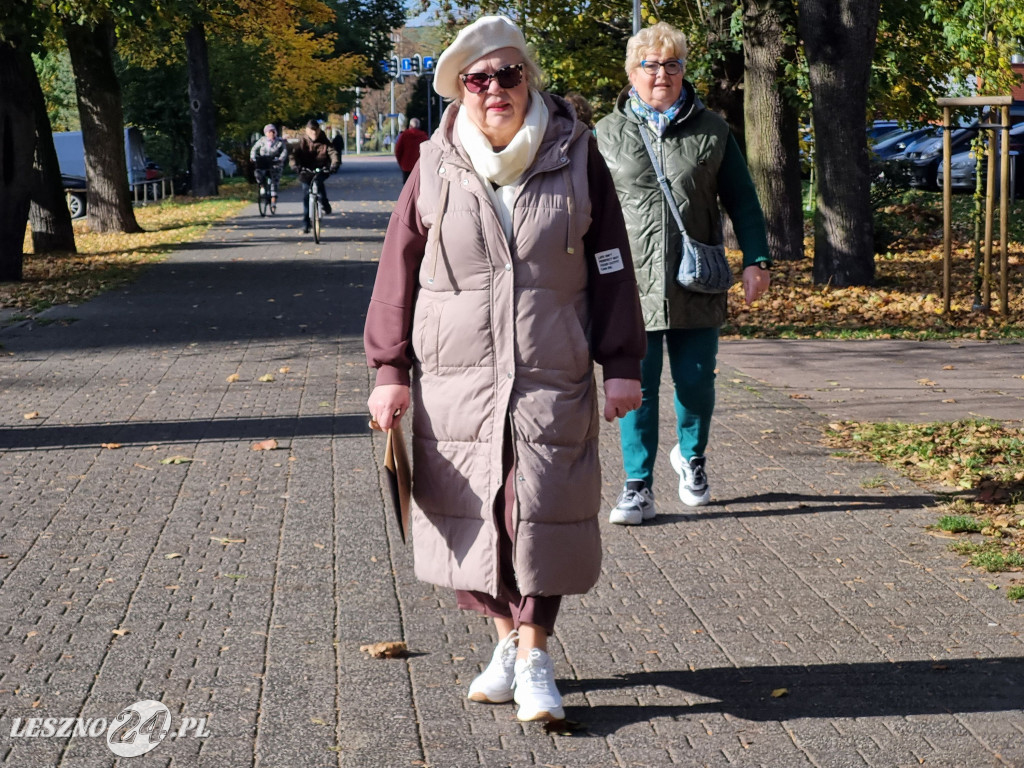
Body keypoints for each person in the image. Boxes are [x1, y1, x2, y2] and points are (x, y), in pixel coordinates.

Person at [364, 15, 646, 722]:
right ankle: (507, 643)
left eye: (509, 74)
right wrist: (388, 369)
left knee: (540, 512)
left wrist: (622, 362)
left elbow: (612, 263)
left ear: (529, 79)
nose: (496, 89)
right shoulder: (435, 164)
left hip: (550, 375)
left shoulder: (577, 156)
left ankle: (534, 656)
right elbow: (397, 269)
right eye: (479, 78)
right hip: (456, 379)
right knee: (478, 516)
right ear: (461, 89)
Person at [595, 22, 772, 526]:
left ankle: (692, 458)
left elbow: (743, 199)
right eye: (651, 65)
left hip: (698, 279)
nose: (662, 74)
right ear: (632, 73)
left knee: (696, 382)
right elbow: (581, 209)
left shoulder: (712, 130)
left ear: (683, 70)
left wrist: (757, 260)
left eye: (672, 64)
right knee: (636, 386)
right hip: (630, 285)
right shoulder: (605, 135)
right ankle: (637, 485)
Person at [290, 119, 340, 233]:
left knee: (319, 184)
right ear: (307, 131)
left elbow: (333, 153)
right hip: (305, 171)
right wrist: (295, 166)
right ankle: (306, 223)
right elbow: (293, 155)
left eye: (316, 131)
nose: (314, 133)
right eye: (311, 131)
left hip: (320, 168)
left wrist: (334, 165)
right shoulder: (301, 142)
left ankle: (324, 203)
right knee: (306, 195)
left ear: (319, 130)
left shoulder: (324, 141)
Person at [250, 123, 288, 211]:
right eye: (269, 132)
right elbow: (254, 149)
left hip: (275, 163)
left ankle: (273, 202)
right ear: (265, 133)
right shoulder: (262, 140)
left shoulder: (279, 141)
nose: (271, 134)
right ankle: (262, 187)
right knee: (258, 172)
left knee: (274, 181)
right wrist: (253, 157)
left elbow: (284, 151)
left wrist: (280, 159)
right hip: (264, 161)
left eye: (272, 132)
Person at [393, 117, 429, 183]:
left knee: (407, 186)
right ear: (419, 126)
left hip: (406, 165)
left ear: (410, 125)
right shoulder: (424, 137)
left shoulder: (404, 135)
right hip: (419, 166)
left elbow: (398, 150)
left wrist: (401, 163)